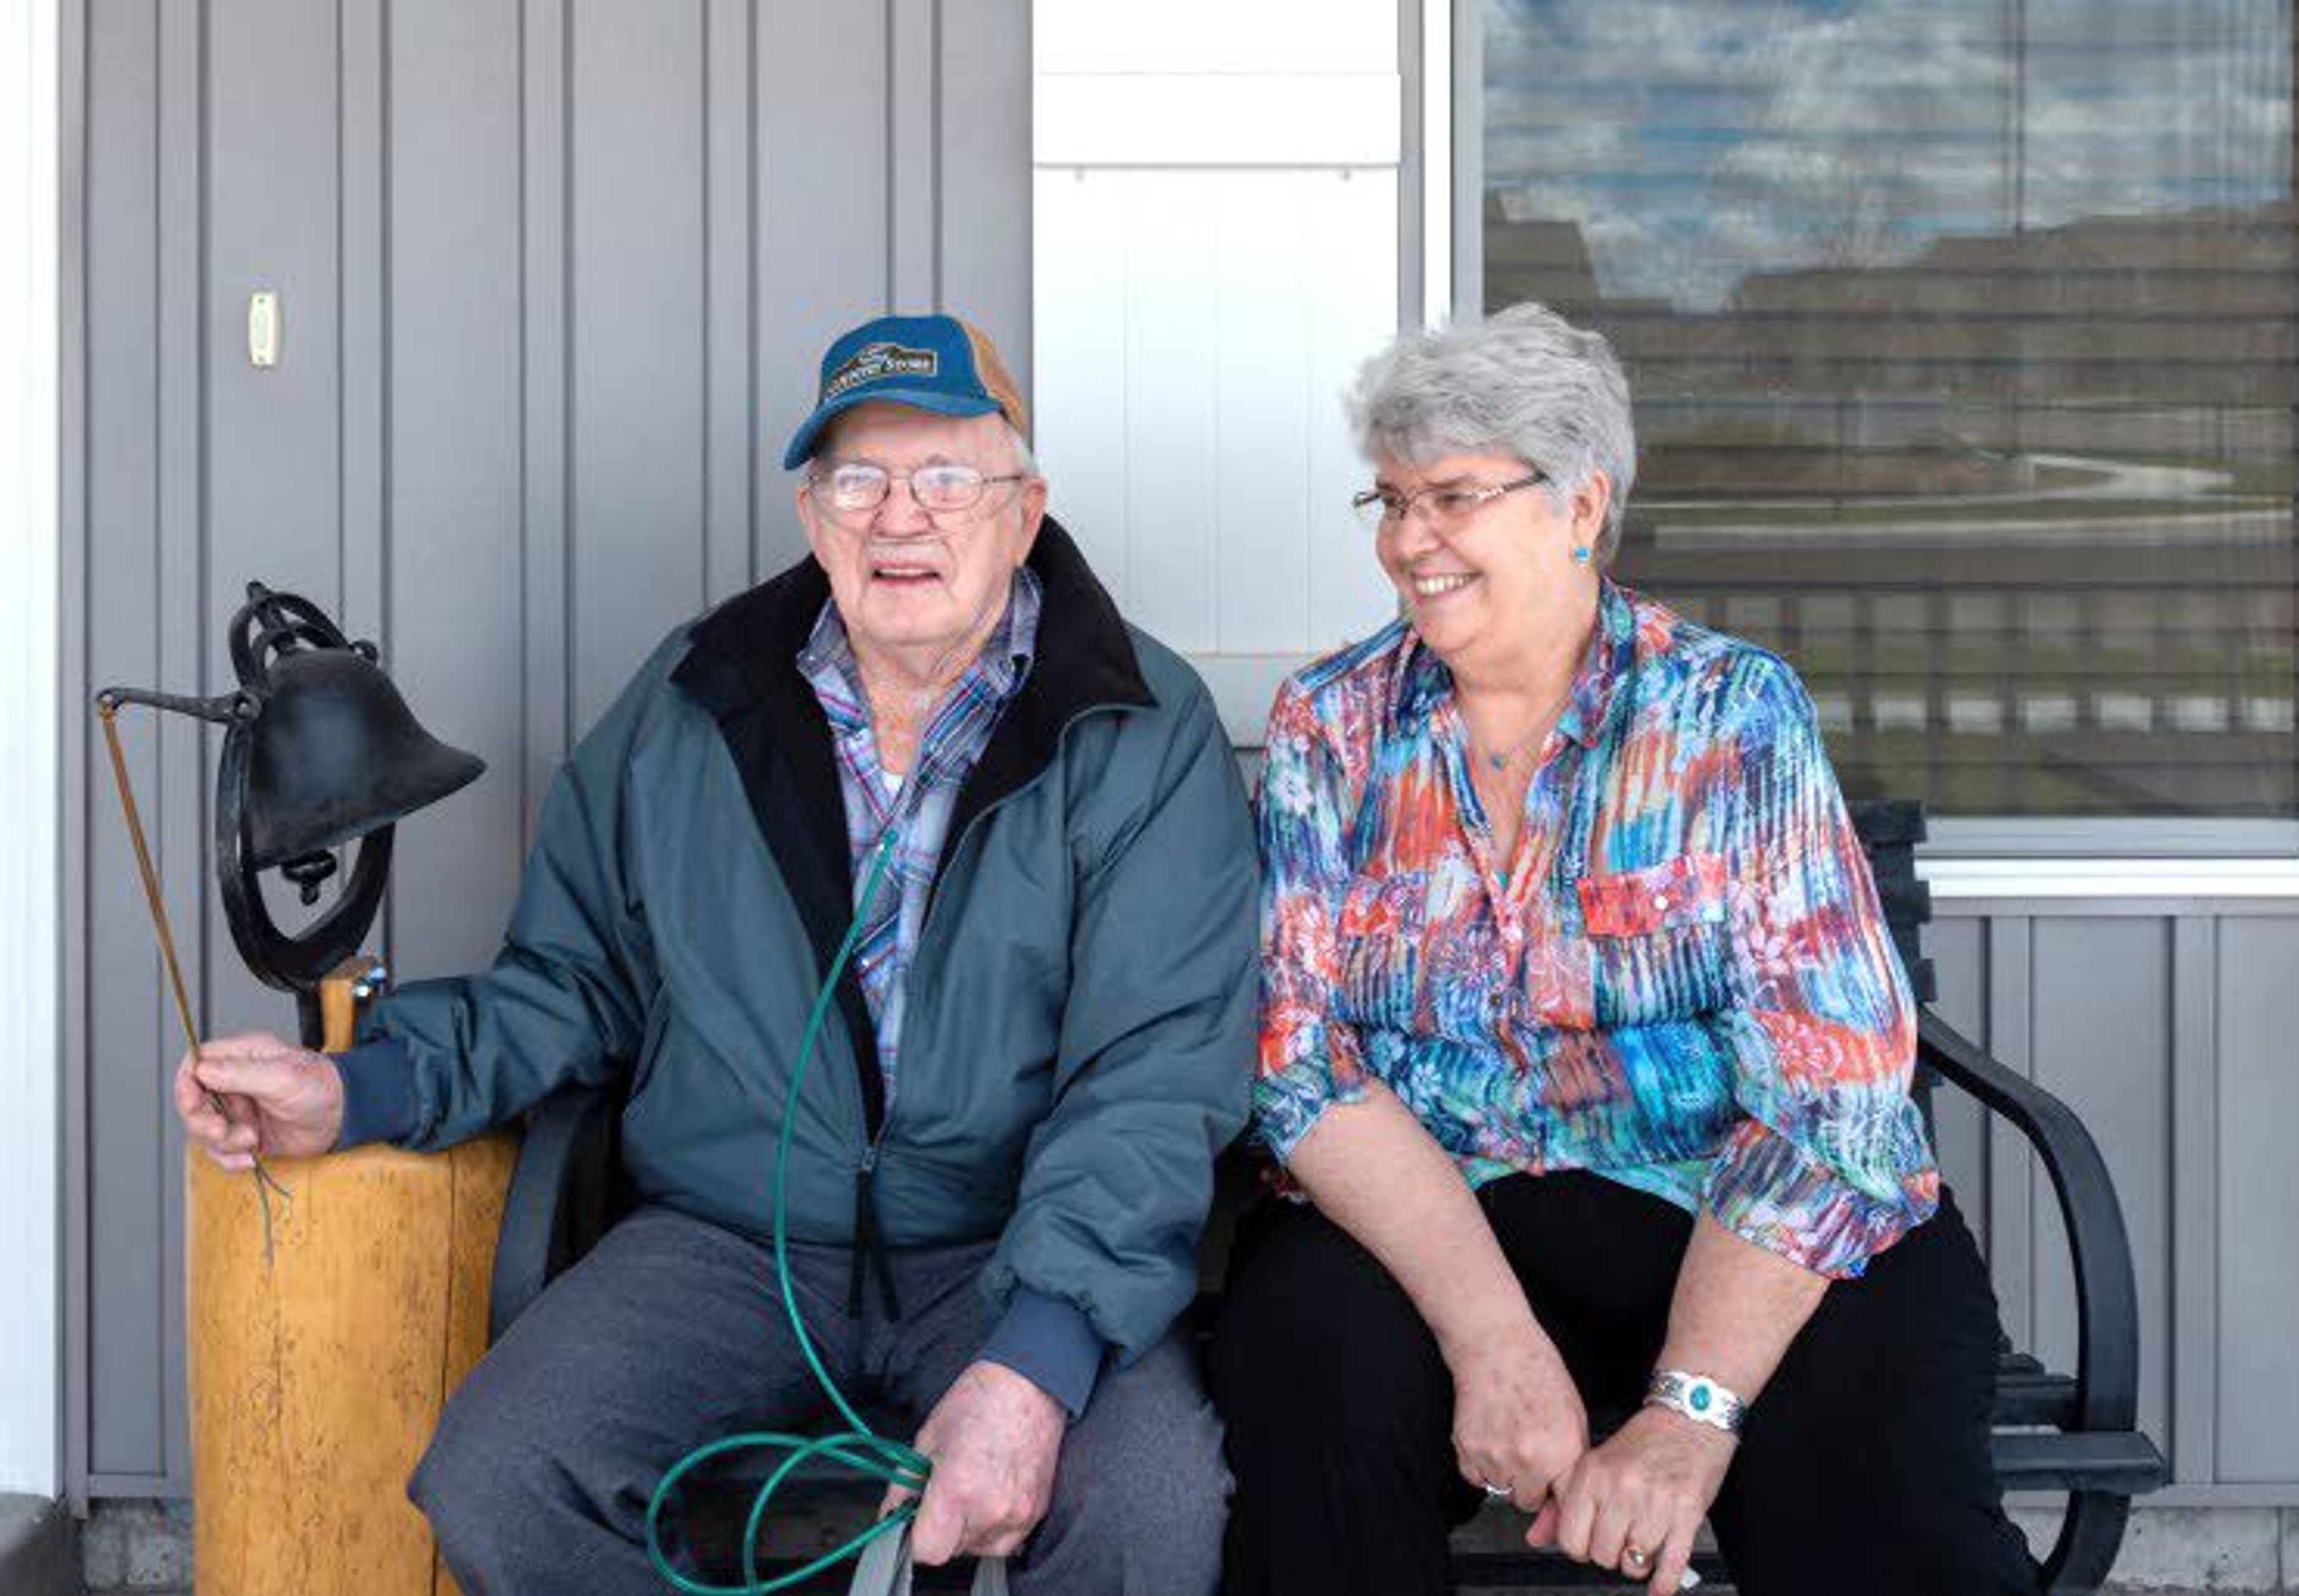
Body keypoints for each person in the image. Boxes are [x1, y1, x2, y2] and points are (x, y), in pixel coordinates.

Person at [174, 312, 1257, 1596]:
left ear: (1024, 513)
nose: (899, 518)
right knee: (502, 1471)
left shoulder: (1142, 724)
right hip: (729, 1241)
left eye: (948, 477)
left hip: (1011, 1240)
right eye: (860, 479)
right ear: (812, 513)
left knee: (1148, 1505)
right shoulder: (695, 700)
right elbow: (572, 979)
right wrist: (359, 1089)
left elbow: (1153, 1076)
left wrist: (1034, 1359)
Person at [1209, 304, 2039, 1596]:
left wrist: (1689, 1412)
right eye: (1391, 499)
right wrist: (1489, 1335)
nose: (1409, 540)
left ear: (1581, 504)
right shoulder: (1334, 723)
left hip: (1734, 1210)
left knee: (1879, 1484)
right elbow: (1301, 1060)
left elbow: (1828, 1092)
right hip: (1439, 1212)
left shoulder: (1728, 715)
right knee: (1313, 1374)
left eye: (1453, 497)